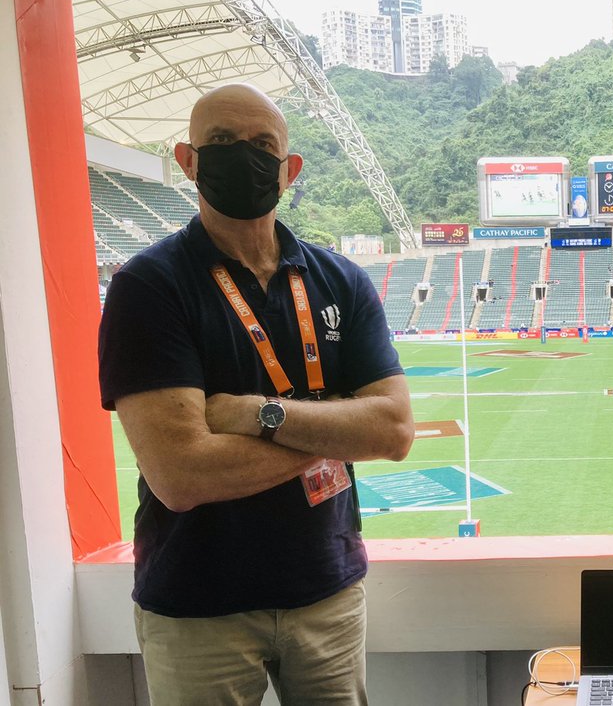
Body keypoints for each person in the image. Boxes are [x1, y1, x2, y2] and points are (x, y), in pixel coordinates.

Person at [97, 84, 415, 705]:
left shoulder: (341, 280)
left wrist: (255, 416)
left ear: (289, 169)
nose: (241, 156)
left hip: (327, 589)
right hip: (197, 605)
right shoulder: (148, 288)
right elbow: (181, 475)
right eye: (219, 142)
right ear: (188, 161)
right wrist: (338, 428)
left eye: (262, 144)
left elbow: (395, 432)